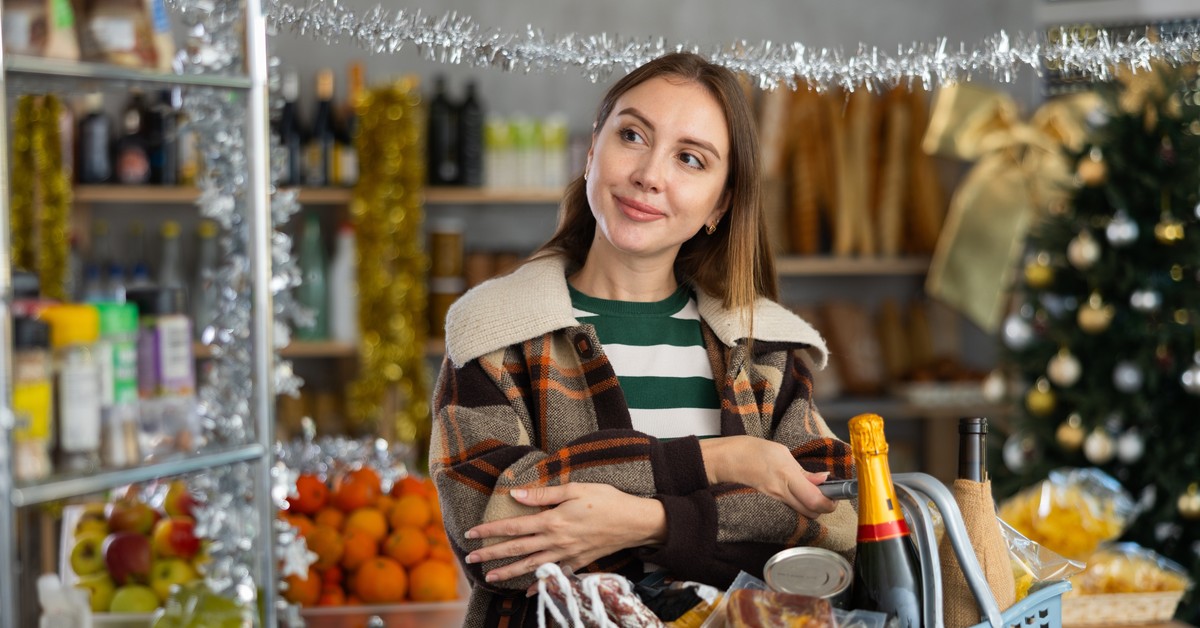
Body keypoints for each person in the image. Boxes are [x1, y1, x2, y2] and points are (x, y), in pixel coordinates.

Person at [429, 52, 857, 627]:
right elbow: (496, 535)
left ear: (721, 203)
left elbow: (838, 528)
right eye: (632, 134)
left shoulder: (762, 351)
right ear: (591, 151)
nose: (650, 175)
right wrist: (724, 460)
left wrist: (646, 522)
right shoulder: (498, 334)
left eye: (690, 159)